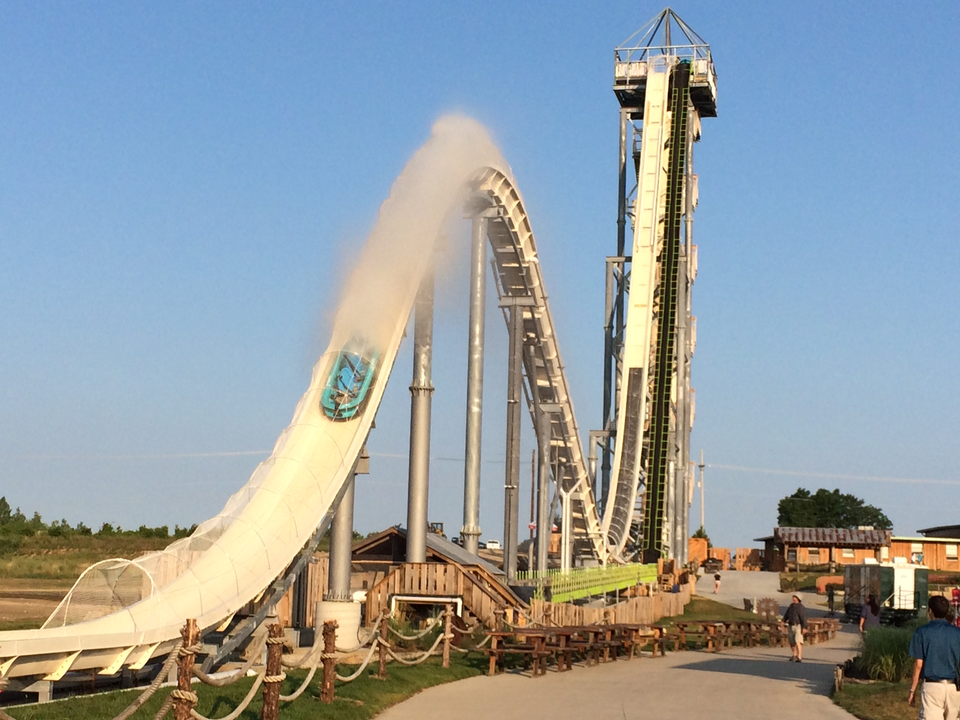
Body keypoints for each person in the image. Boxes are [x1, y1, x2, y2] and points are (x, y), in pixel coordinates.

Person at [908, 595, 960, 718]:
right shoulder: (957, 633)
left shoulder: (922, 632)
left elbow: (918, 664)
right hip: (954, 687)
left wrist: (912, 690)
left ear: (930, 610)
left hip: (932, 686)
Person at [782, 594, 807, 662]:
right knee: (791, 641)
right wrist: (783, 621)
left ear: (798, 598)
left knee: (798, 641)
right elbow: (787, 614)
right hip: (791, 625)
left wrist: (804, 627)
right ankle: (794, 655)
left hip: (798, 626)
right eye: (793, 597)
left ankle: (799, 657)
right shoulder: (791, 606)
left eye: (795, 597)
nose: (793, 598)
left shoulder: (801, 607)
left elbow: (803, 618)